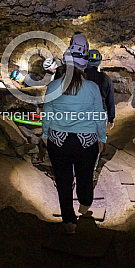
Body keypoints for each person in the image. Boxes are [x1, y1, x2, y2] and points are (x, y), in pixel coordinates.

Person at [41, 34, 108, 234]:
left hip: (58, 140)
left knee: (63, 181)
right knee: (85, 177)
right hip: (85, 142)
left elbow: (48, 114)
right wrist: (101, 138)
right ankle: (85, 204)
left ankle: (69, 222)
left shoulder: (53, 86)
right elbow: (99, 116)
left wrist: (45, 135)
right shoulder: (92, 87)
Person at [85, 50, 115, 131]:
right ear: (99, 62)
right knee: (99, 138)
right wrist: (111, 118)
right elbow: (110, 99)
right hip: (101, 112)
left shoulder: (80, 77)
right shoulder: (106, 78)